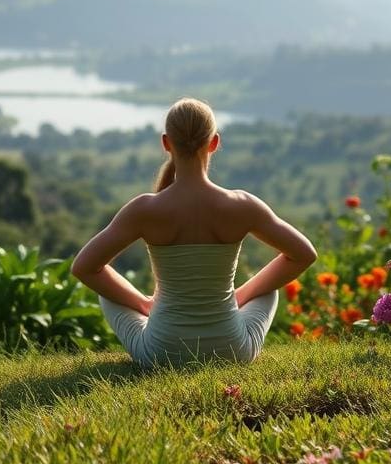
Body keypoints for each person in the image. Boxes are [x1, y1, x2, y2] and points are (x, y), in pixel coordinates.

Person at [71, 97, 317, 366]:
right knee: (268, 289)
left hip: (161, 354)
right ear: (214, 143)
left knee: (108, 291)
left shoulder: (144, 209)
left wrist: (143, 304)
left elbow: (85, 267)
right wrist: (241, 296)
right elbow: (303, 254)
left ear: (166, 143)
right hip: (232, 351)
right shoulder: (242, 205)